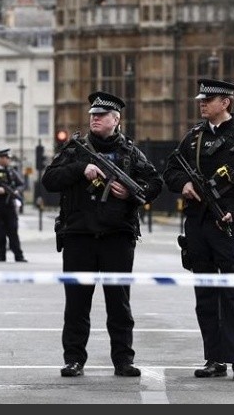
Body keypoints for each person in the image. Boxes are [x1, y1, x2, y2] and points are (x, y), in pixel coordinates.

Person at [41, 91, 163, 377]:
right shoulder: (75, 150)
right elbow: (49, 180)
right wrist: (80, 169)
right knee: (77, 303)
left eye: (101, 115)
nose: (94, 119)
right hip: (79, 236)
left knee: (119, 302)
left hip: (117, 237)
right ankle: (74, 359)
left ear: (116, 119)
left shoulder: (130, 152)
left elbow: (154, 183)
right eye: (92, 115)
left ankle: (123, 360)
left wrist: (131, 195)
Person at [162, 78, 234, 382]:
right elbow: (170, 169)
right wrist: (182, 184)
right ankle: (214, 358)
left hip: (228, 225)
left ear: (226, 103)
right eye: (201, 100)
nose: (202, 104)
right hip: (198, 225)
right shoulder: (193, 138)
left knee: (233, 294)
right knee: (206, 294)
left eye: (208, 100)